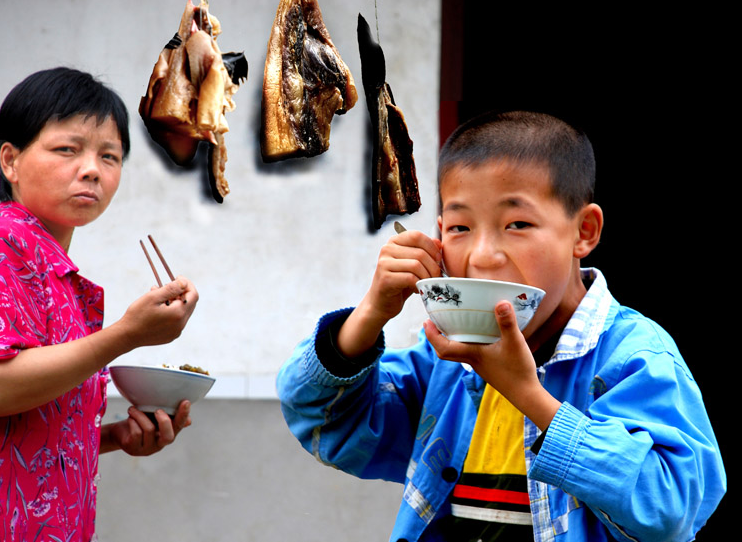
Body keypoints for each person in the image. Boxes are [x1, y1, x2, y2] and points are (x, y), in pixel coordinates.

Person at [276, 111, 726, 541]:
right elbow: (324, 422)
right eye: (459, 228)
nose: (482, 256)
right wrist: (372, 312)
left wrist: (527, 394)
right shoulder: (448, 364)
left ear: (583, 232)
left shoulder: (634, 356)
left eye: (517, 223)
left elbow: (672, 509)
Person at [0, 67, 199, 541]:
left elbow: (27, 422)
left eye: (109, 156)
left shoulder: (53, 271)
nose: (91, 168)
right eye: (67, 149)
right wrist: (127, 336)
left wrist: (115, 437)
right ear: (10, 161)